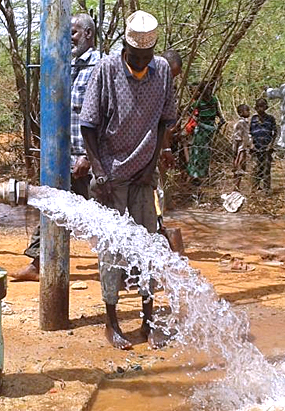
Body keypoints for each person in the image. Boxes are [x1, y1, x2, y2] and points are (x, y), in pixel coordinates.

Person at [80, 10, 176, 349]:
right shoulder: (106, 69)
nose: (140, 64)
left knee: (147, 246)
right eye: (135, 58)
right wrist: (99, 170)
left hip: (143, 174)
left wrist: (152, 165)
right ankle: (112, 322)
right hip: (110, 175)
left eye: (146, 58)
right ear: (125, 49)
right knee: (112, 251)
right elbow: (88, 125)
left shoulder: (162, 70)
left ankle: (148, 321)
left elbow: (165, 120)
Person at [11, 13, 101, 281]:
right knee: (49, 207)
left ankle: (119, 270)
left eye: (72, 32)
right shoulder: (64, 66)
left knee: (104, 215)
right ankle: (39, 264)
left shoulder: (99, 67)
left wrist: (88, 157)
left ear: (88, 34)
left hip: (91, 159)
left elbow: (105, 116)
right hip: (64, 158)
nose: (68, 38)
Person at [185, 81, 225, 184]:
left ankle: (203, 175)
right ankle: (194, 175)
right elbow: (190, 112)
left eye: (210, 89)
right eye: (206, 90)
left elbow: (220, 116)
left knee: (206, 153)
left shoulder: (214, 100)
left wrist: (218, 126)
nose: (208, 92)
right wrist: (197, 121)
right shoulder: (198, 102)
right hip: (201, 129)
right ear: (202, 91)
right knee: (197, 152)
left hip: (210, 129)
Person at [249, 98, 278, 192]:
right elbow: (250, 133)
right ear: (255, 108)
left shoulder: (270, 118)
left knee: (266, 168)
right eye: (258, 106)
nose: (261, 109)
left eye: (263, 106)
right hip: (256, 147)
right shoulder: (253, 119)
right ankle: (254, 188)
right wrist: (251, 144)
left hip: (266, 148)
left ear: (266, 107)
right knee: (256, 168)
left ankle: (266, 188)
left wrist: (271, 145)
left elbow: (275, 132)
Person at [233, 104, 252, 189]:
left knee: (242, 167)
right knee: (239, 167)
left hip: (244, 148)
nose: (249, 112)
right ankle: (236, 186)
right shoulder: (241, 123)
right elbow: (237, 138)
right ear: (241, 113)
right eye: (247, 111)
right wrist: (236, 150)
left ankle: (237, 186)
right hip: (241, 148)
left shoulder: (246, 123)